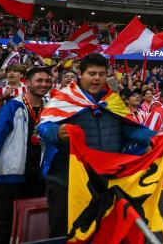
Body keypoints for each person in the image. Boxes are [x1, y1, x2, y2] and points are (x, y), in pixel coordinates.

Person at [38, 54, 155, 238]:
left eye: (101, 74)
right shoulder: (63, 99)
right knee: (65, 233)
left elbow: (129, 128)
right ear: (80, 74)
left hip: (103, 181)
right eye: (91, 73)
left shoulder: (113, 101)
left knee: (100, 233)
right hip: (66, 181)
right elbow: (44, 127)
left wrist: (153, 139)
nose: (96, 78)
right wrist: (57, 132)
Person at [0, 67, 52, 244]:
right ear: (28, 82)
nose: (44, 84)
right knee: (7, 222)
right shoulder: (13, 106)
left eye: (47, 81)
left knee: (33, 222)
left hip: (38, 175)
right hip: (11, 175)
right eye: (39, 80)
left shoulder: (50, 108)